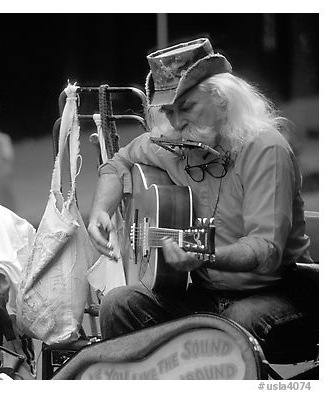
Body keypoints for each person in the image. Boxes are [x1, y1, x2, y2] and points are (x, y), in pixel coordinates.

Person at [87, 38, 315, 355]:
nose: (177, 123)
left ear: (221, 99)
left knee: (235, 324)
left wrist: (203, 253)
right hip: (209, 295)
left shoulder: (266, 148)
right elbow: (117, 164)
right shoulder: (174, 141)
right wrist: (101, 211)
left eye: (187, 107)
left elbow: (266, 252)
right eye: (168, 111)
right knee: (117, 305)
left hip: (282, 294)